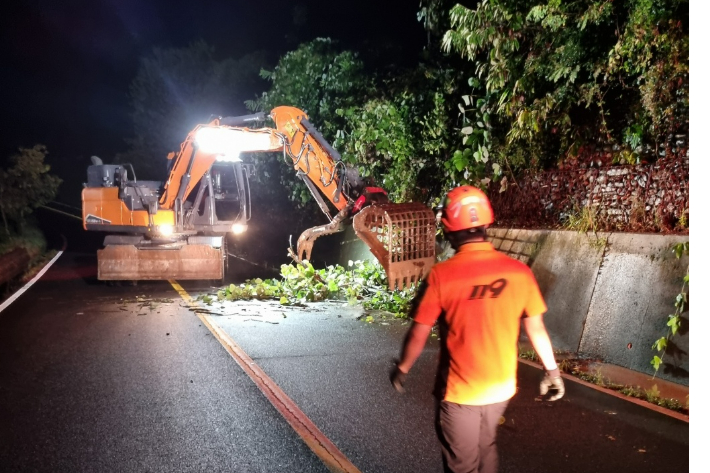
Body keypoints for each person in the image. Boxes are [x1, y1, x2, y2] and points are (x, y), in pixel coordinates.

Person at [389, 185, 564, 473]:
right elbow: (536, 329)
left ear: (448, 229)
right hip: (501, 390)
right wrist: (552, 371)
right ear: (486, 224)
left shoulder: (441, 276)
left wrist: (402, 368)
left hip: (460, 394)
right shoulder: (519, 272)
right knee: (486, 446)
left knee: (463, 464)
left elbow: (419, 331)